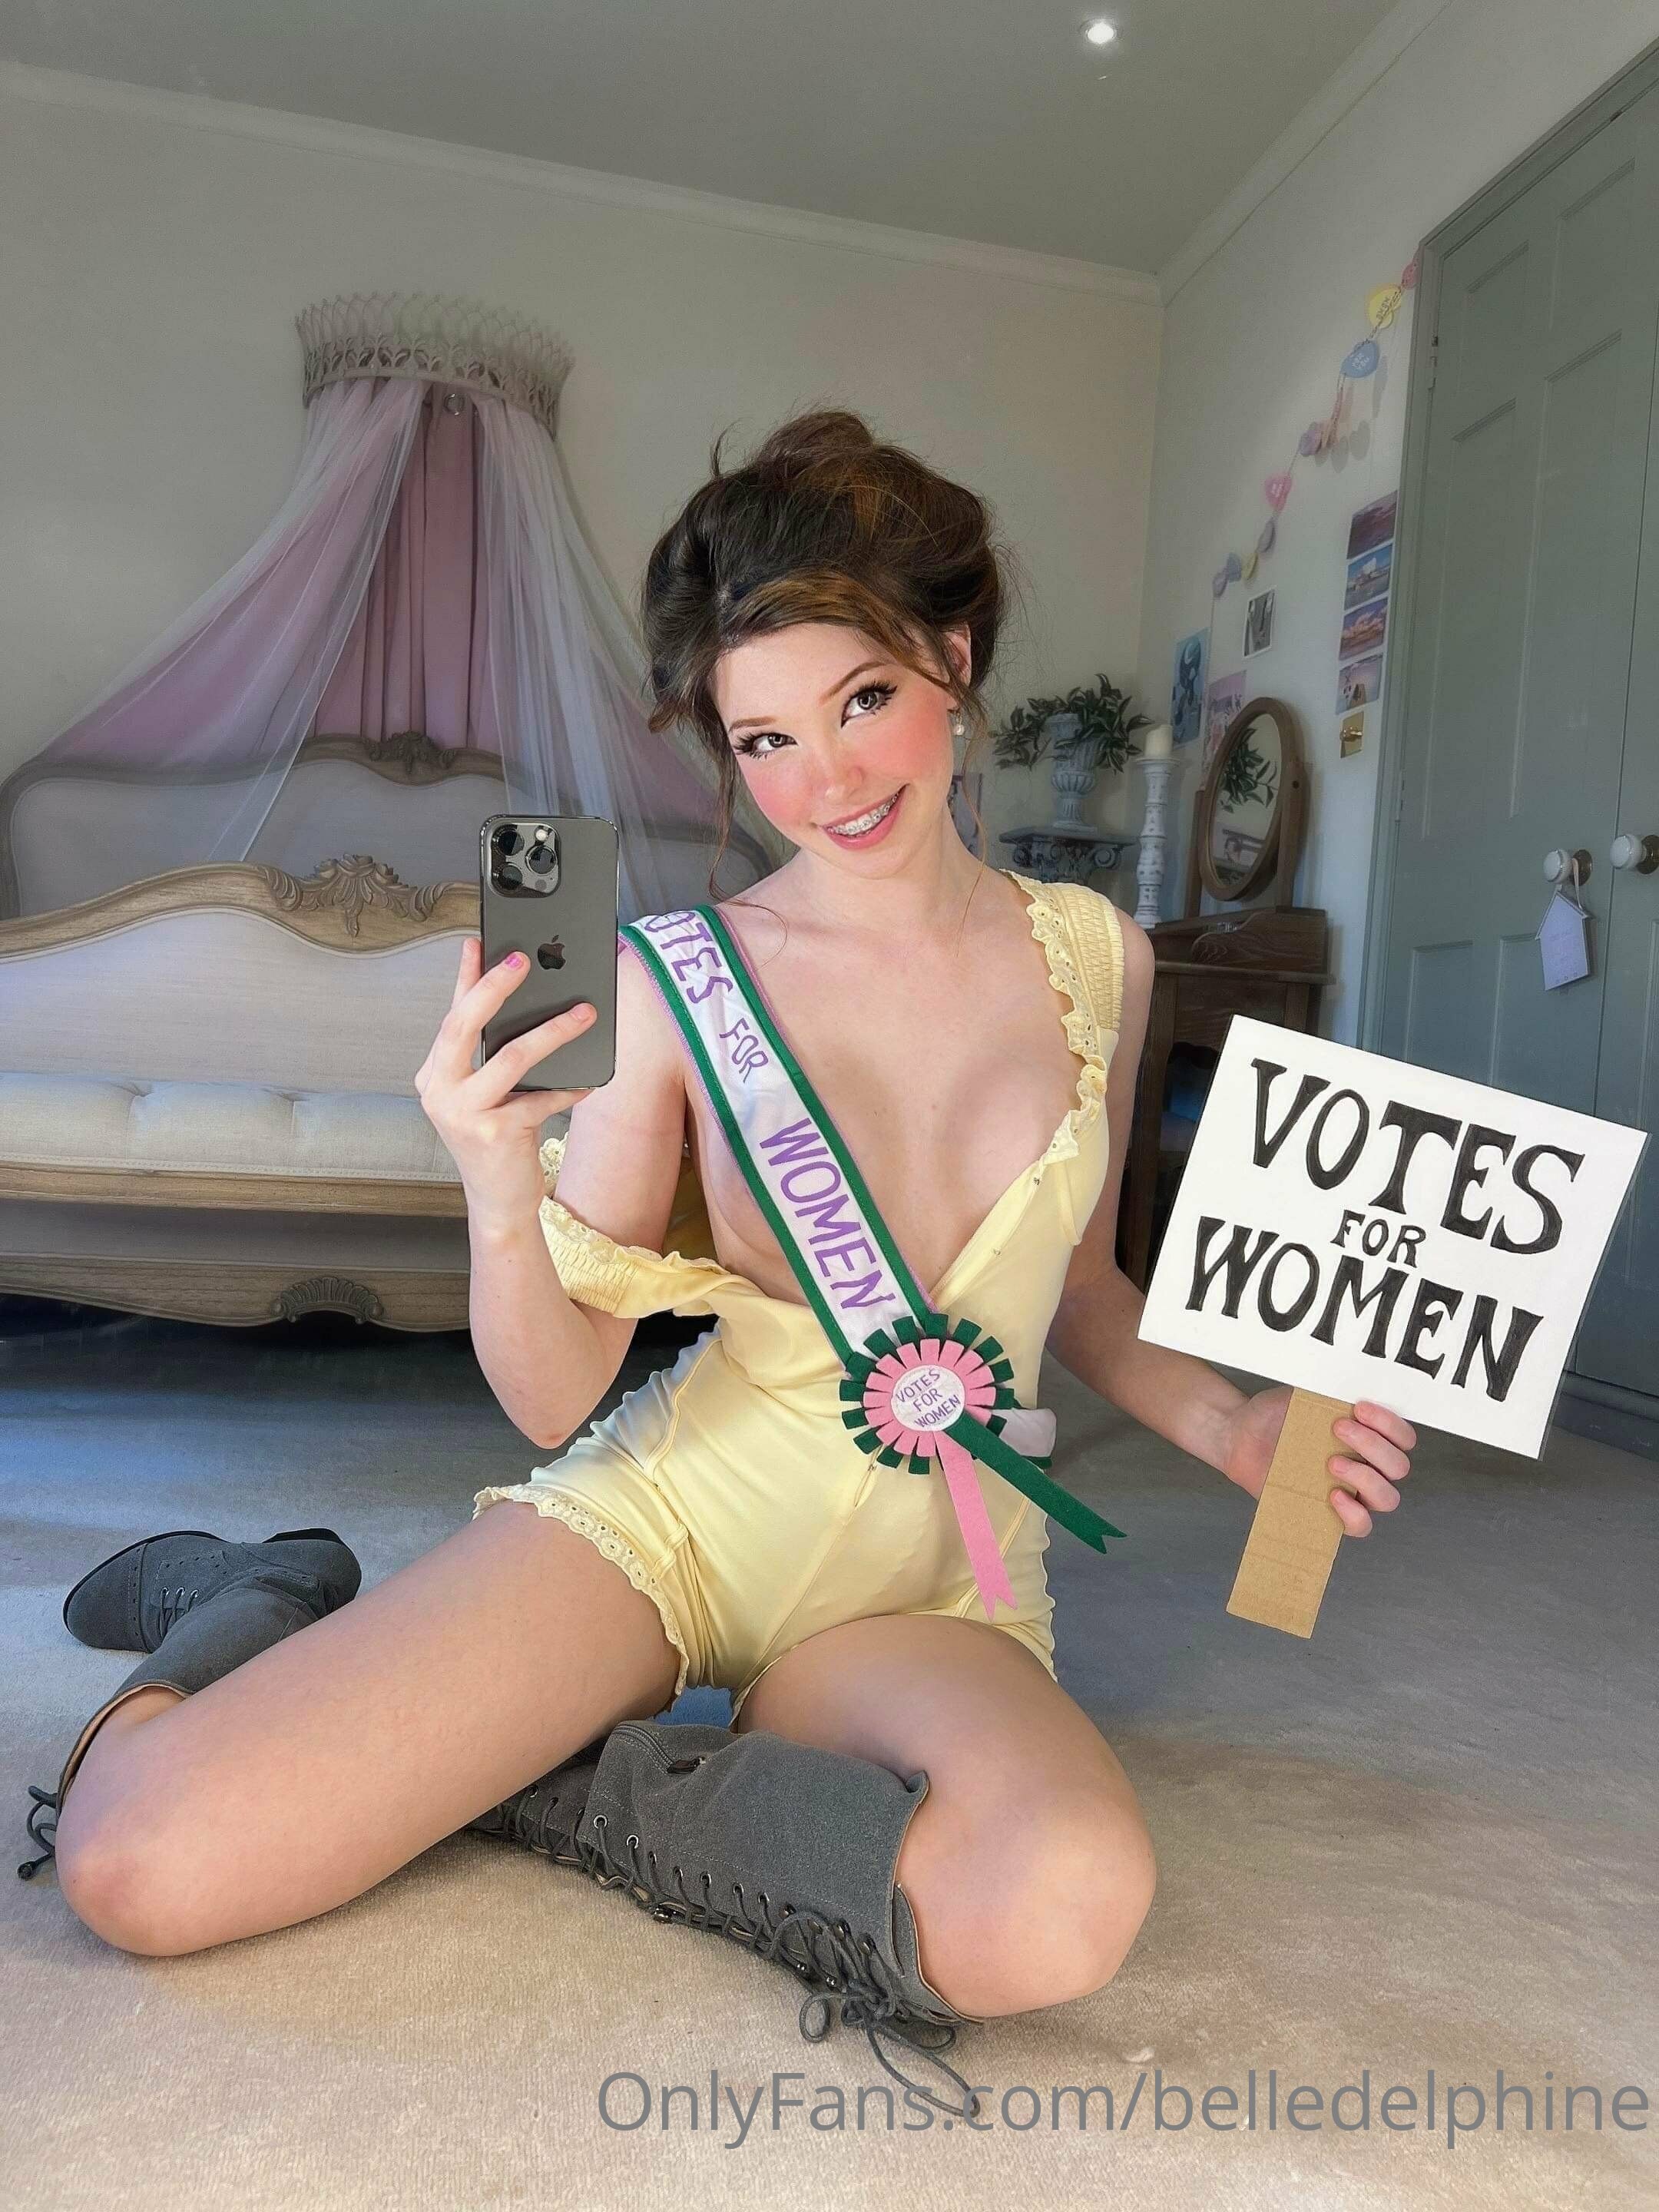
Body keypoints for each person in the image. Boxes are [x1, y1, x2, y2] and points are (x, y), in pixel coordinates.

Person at [22, 409, 1416, 2118]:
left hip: (939, 1591)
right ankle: (254, 1597)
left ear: (954, 658)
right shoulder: (676, 980)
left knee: (1052, 1906)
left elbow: (1089, 1293)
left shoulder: (1103, 961)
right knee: (140, 1864)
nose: (825, 782)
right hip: (676, 1527)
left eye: (863, 700)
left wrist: (1242, 1430)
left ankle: (580, 1787)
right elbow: (556, 1397)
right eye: (764, 739)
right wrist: (494, 1183)